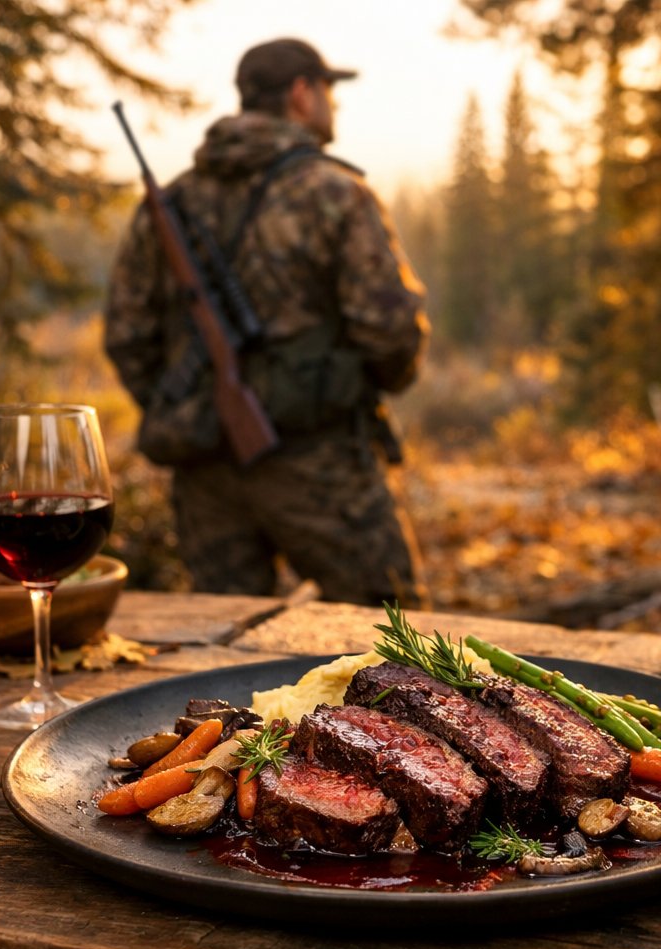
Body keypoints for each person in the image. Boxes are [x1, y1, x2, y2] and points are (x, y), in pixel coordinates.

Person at [104, 38, 430, 607]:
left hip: (206, 475)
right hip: (322, 466)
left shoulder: (177, 199)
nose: (335, 105)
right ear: (301, 94)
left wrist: (199, 412)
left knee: (228, 645)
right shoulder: (335, 192)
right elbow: (391, 332)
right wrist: (333, 389)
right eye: (328, 90)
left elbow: (128, 335)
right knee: (397, 635)